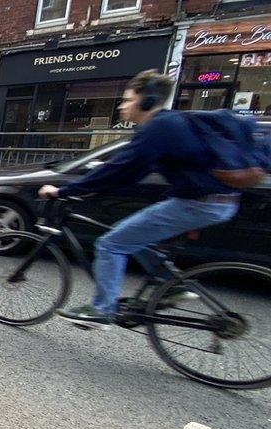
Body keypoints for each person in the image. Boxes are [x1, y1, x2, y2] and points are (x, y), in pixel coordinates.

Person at [38, 70, 262, 329]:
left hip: (200, 203)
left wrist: (62, 191)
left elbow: (119, 169)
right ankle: (170, 286)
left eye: (127, 99)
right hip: (215, 201)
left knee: (110, 244)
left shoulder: (158, 128)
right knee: (131, 235)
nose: (122, 106)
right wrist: (91, 187)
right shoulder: (171, 123)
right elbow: (130, 173)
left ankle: (101, 310)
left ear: (146, 101)